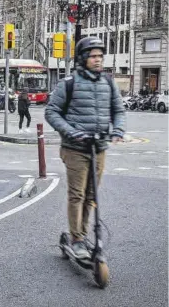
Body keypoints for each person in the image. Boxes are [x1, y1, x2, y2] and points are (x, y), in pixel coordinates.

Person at [45, 37, 125, 259]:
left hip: (99, 147)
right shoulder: (68, 83)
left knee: (92, 195)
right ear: (82, 58)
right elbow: (51, 112)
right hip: (75, 148)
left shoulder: (108, 82)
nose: (98, 60)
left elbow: (118, 110)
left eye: (100, 56)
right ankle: (77, 238)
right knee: (77, 194)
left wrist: (118, 130)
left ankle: (81, 232)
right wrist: (71, 131)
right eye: (93, 56)